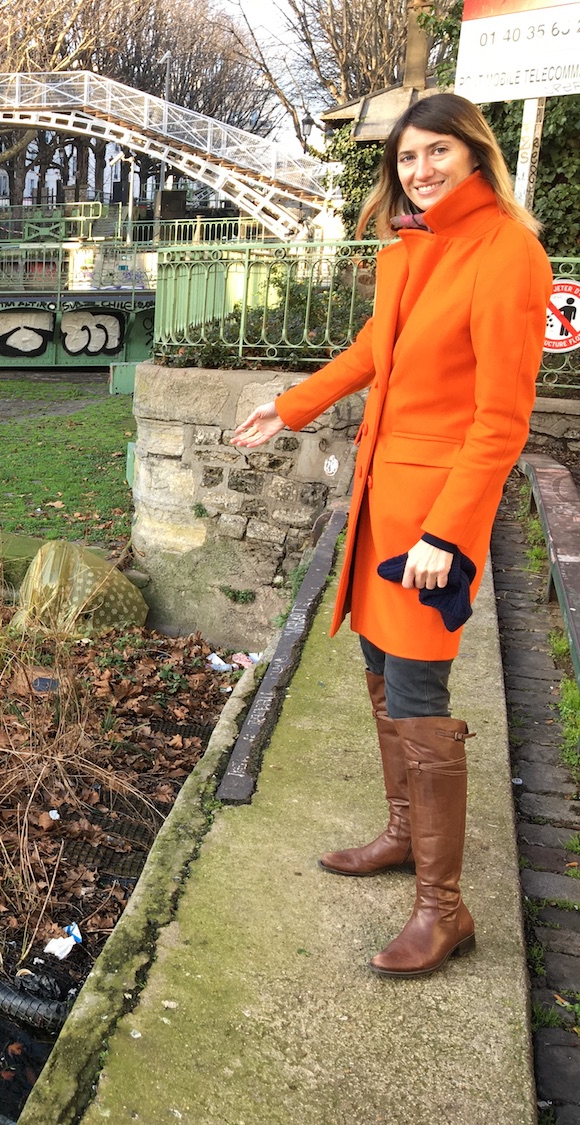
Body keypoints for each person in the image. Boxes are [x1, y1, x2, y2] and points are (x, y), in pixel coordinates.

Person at [231, 93, 550, 979]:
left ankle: (444, 909)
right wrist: (290, 404)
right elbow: (375, 347)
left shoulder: (508, 253)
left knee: (419, 695)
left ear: (476, 154)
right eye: (409, 158)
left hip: (434, 517)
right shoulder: (414, 247)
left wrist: (449, 532)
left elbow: (501, 419)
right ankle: (406, 836)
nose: (421, 170)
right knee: (380, 671)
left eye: (438, 152)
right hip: (383, 499)